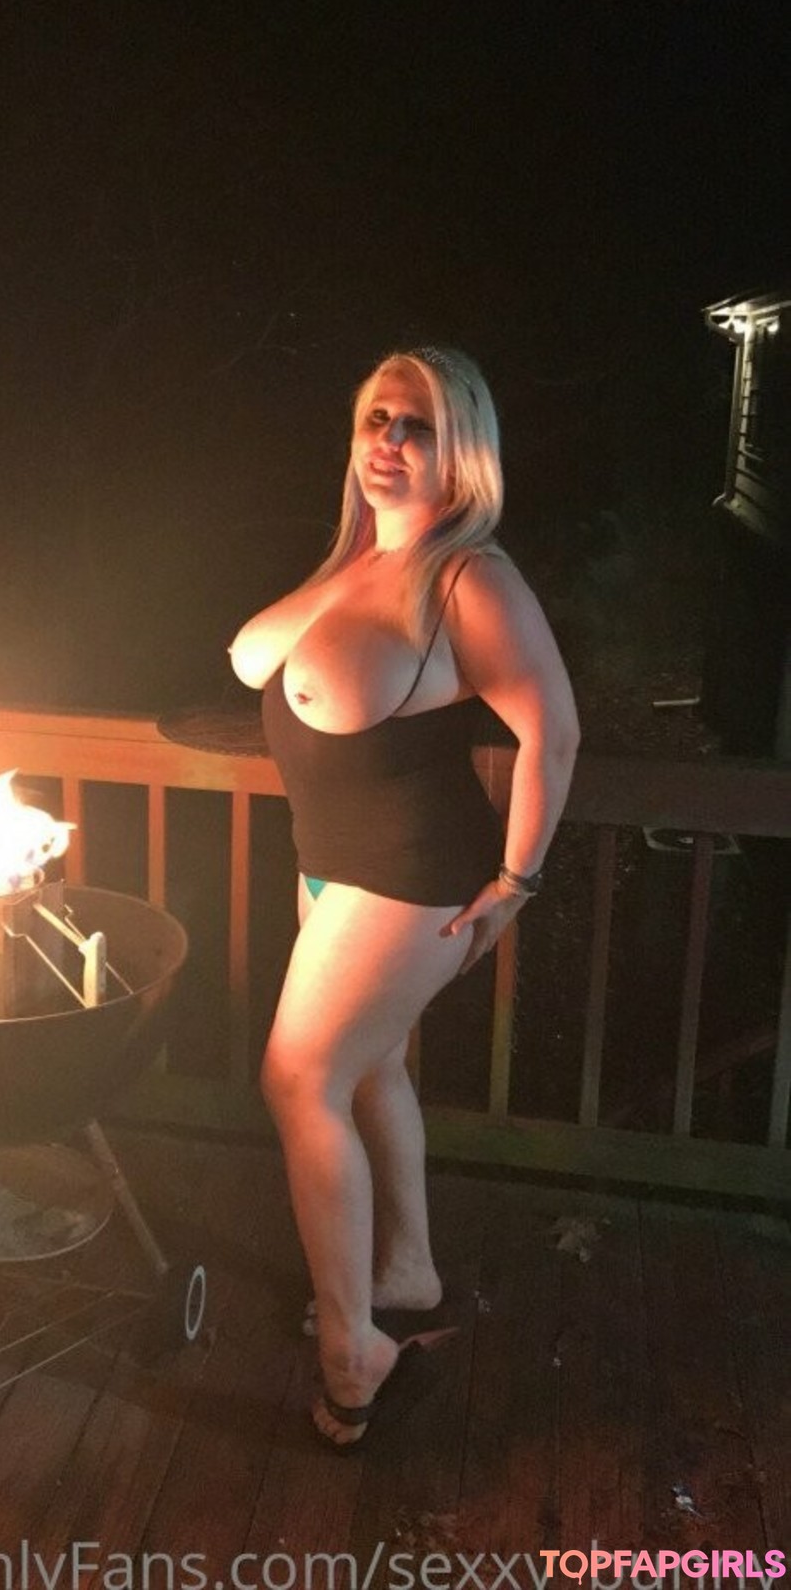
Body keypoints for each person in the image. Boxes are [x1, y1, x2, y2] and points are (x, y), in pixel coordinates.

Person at [228, 345, 579, 1450]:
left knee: (300, 1079)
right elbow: (254, 658)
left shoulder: (470, 579)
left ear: (461, 451)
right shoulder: (357, 562)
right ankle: (410, 1271)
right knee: (371, 1065)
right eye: (376, 418)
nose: (388, 440)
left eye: (417, 426)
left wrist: (516, 882)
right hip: (333, 864)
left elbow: (552, 733)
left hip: (415, 875)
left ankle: (355, 1352)